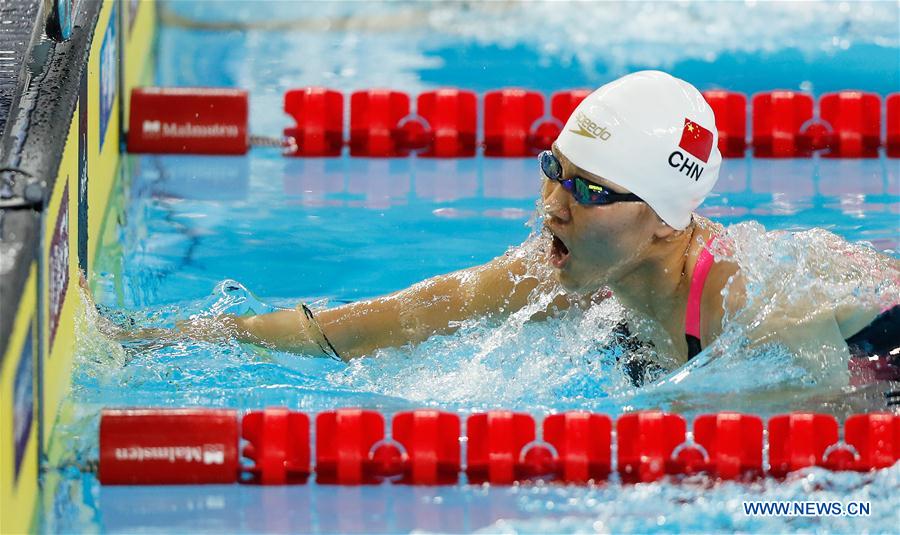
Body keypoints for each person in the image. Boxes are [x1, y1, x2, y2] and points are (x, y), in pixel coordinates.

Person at [87, 71, 900, 388]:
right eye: (553, 167)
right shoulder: (557, 274)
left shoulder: (767, 302)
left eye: (588, 188)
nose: (553, 203)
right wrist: (152, 338)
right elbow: (356, 329)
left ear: (662, 222)